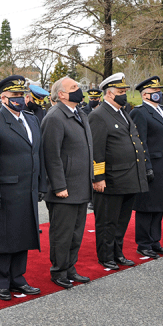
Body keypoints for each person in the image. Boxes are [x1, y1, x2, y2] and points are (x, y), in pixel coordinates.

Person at [0, 75, 46, 300]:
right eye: (15, 96)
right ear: (3, 98)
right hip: (5, 191)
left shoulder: (31, 119)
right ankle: (1, 281)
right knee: (4, 237)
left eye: (21, 95)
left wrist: (41, 183)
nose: (20, 99)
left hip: (28, 188)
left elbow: (38, 153)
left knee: (24, 234)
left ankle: (18, 278)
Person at [89, 73, 148, 270]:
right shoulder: (98, 115)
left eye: (125, 91)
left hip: (128, 177)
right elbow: (96, 150)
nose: (124, 95)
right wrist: (98, 177)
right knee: (107, 221)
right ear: (108, 94)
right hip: (111, 179)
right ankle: (106, 256)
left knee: (122, 220)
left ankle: (117, 253)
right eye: (121, 92)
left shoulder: (123, 112)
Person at [41, 76, 93, 289]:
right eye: (73, 87)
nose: (79, 90)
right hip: (64, 189)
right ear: (61, 94)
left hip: (81, 186)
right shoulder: (55, 117)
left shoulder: (79, 114)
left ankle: (70, 267)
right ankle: (59, 271)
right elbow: (51, 155)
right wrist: (59, 186)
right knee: (62, 234)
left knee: (76, 232)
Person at [130, 77, 163, 258]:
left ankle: (155, 241)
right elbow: (140, 142)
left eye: (159, 90)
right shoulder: (140, 112)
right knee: (147, 207)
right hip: (152, 166)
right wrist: (146, 166)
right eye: (155, 91)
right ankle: (144, 244)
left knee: (160, 205)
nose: (159, 94)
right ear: (145, 94)